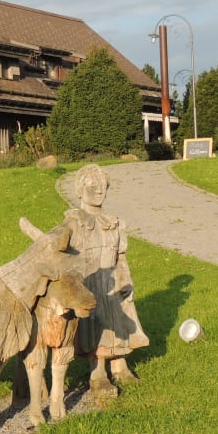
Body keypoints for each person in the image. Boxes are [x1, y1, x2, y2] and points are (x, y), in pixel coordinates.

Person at [64, 164, 149, 398]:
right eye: (93, 185)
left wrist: (125, 280)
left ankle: (120, 365)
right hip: (89, 282)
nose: (99, 190)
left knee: (119, 320)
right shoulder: (74, 222)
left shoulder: (114, 222)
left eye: (103, 185)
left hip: (113, 279)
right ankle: (98, 370)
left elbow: (120, 255)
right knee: (96, 323)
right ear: (80, 189)